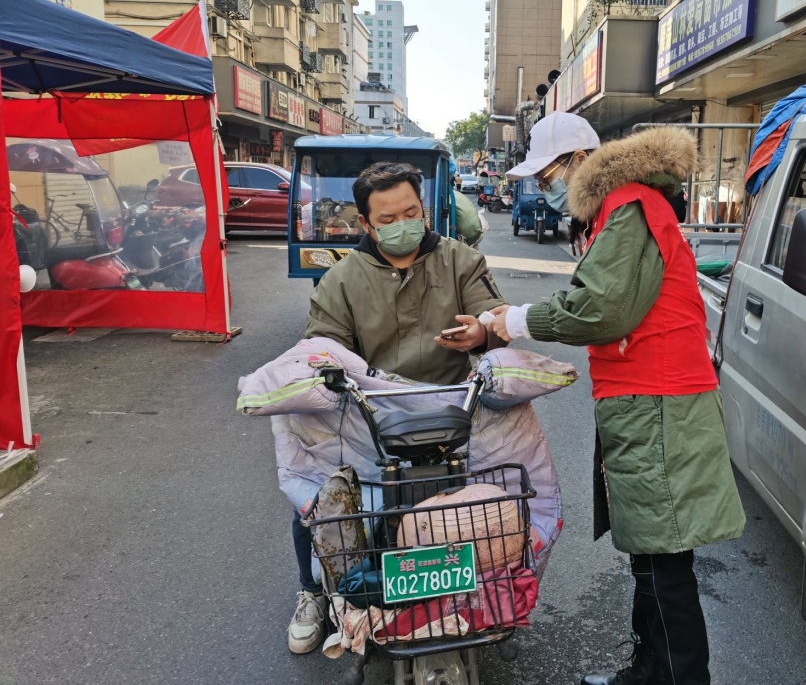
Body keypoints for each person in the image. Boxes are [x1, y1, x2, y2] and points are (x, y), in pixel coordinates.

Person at [491, 112, 745, 685]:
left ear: (580, 163)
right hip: (645, 397)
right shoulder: (623, 209)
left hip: (658, 400)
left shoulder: (628, 206)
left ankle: (678, 678)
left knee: (665, 560)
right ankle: (649, 670)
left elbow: (599, 310)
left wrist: (513, 319)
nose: (546, 188)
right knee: (650, 555)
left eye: (550, 173)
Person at [286, 162, 507, 654]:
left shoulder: (460, 261)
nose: (403, 223)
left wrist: (482, 332)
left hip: (453, 415)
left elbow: (493, 317)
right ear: (365, 223)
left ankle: (490, 587)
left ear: (424, 209)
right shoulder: (340, 280)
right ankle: (313, 592)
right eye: (388, 219)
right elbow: (322, 349)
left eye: (411, 212)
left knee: (501, 496)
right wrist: (328, 374)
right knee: (318, 491)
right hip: (370, 416)